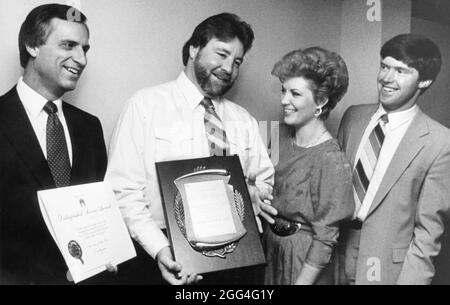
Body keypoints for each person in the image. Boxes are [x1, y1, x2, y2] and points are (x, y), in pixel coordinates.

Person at [106, 12, 275, 285]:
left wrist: (255, 193)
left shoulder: (244, 119)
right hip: (166, 258)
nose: (228, 68)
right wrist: (161, 249)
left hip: (237, 258)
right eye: (221, 54)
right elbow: (123, 192)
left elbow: (264, 179)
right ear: (194, 49)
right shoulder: (145, 106)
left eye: (237, 61)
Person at [0, 4, 110, 284]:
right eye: (69, 45)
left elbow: (99, 212)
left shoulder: (90, 126)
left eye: (85, 48)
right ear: (33, 45)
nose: (81, 59)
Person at [337, 33, 450, 285]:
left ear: (425, 80)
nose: (386, 78)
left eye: (400, 70)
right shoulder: (352, 117)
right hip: (333, 253)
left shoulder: (440, 143)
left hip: (386, 269)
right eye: (384, 66)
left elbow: (427, 235)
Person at [262, 47, 354, 285]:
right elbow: (260, 182)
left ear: (320, 101)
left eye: (295, 94)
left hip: (305, 261)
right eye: (283, 91)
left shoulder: (332, 159)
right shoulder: (277, 133)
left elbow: (326, 237)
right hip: (270, 251)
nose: (284, 100)